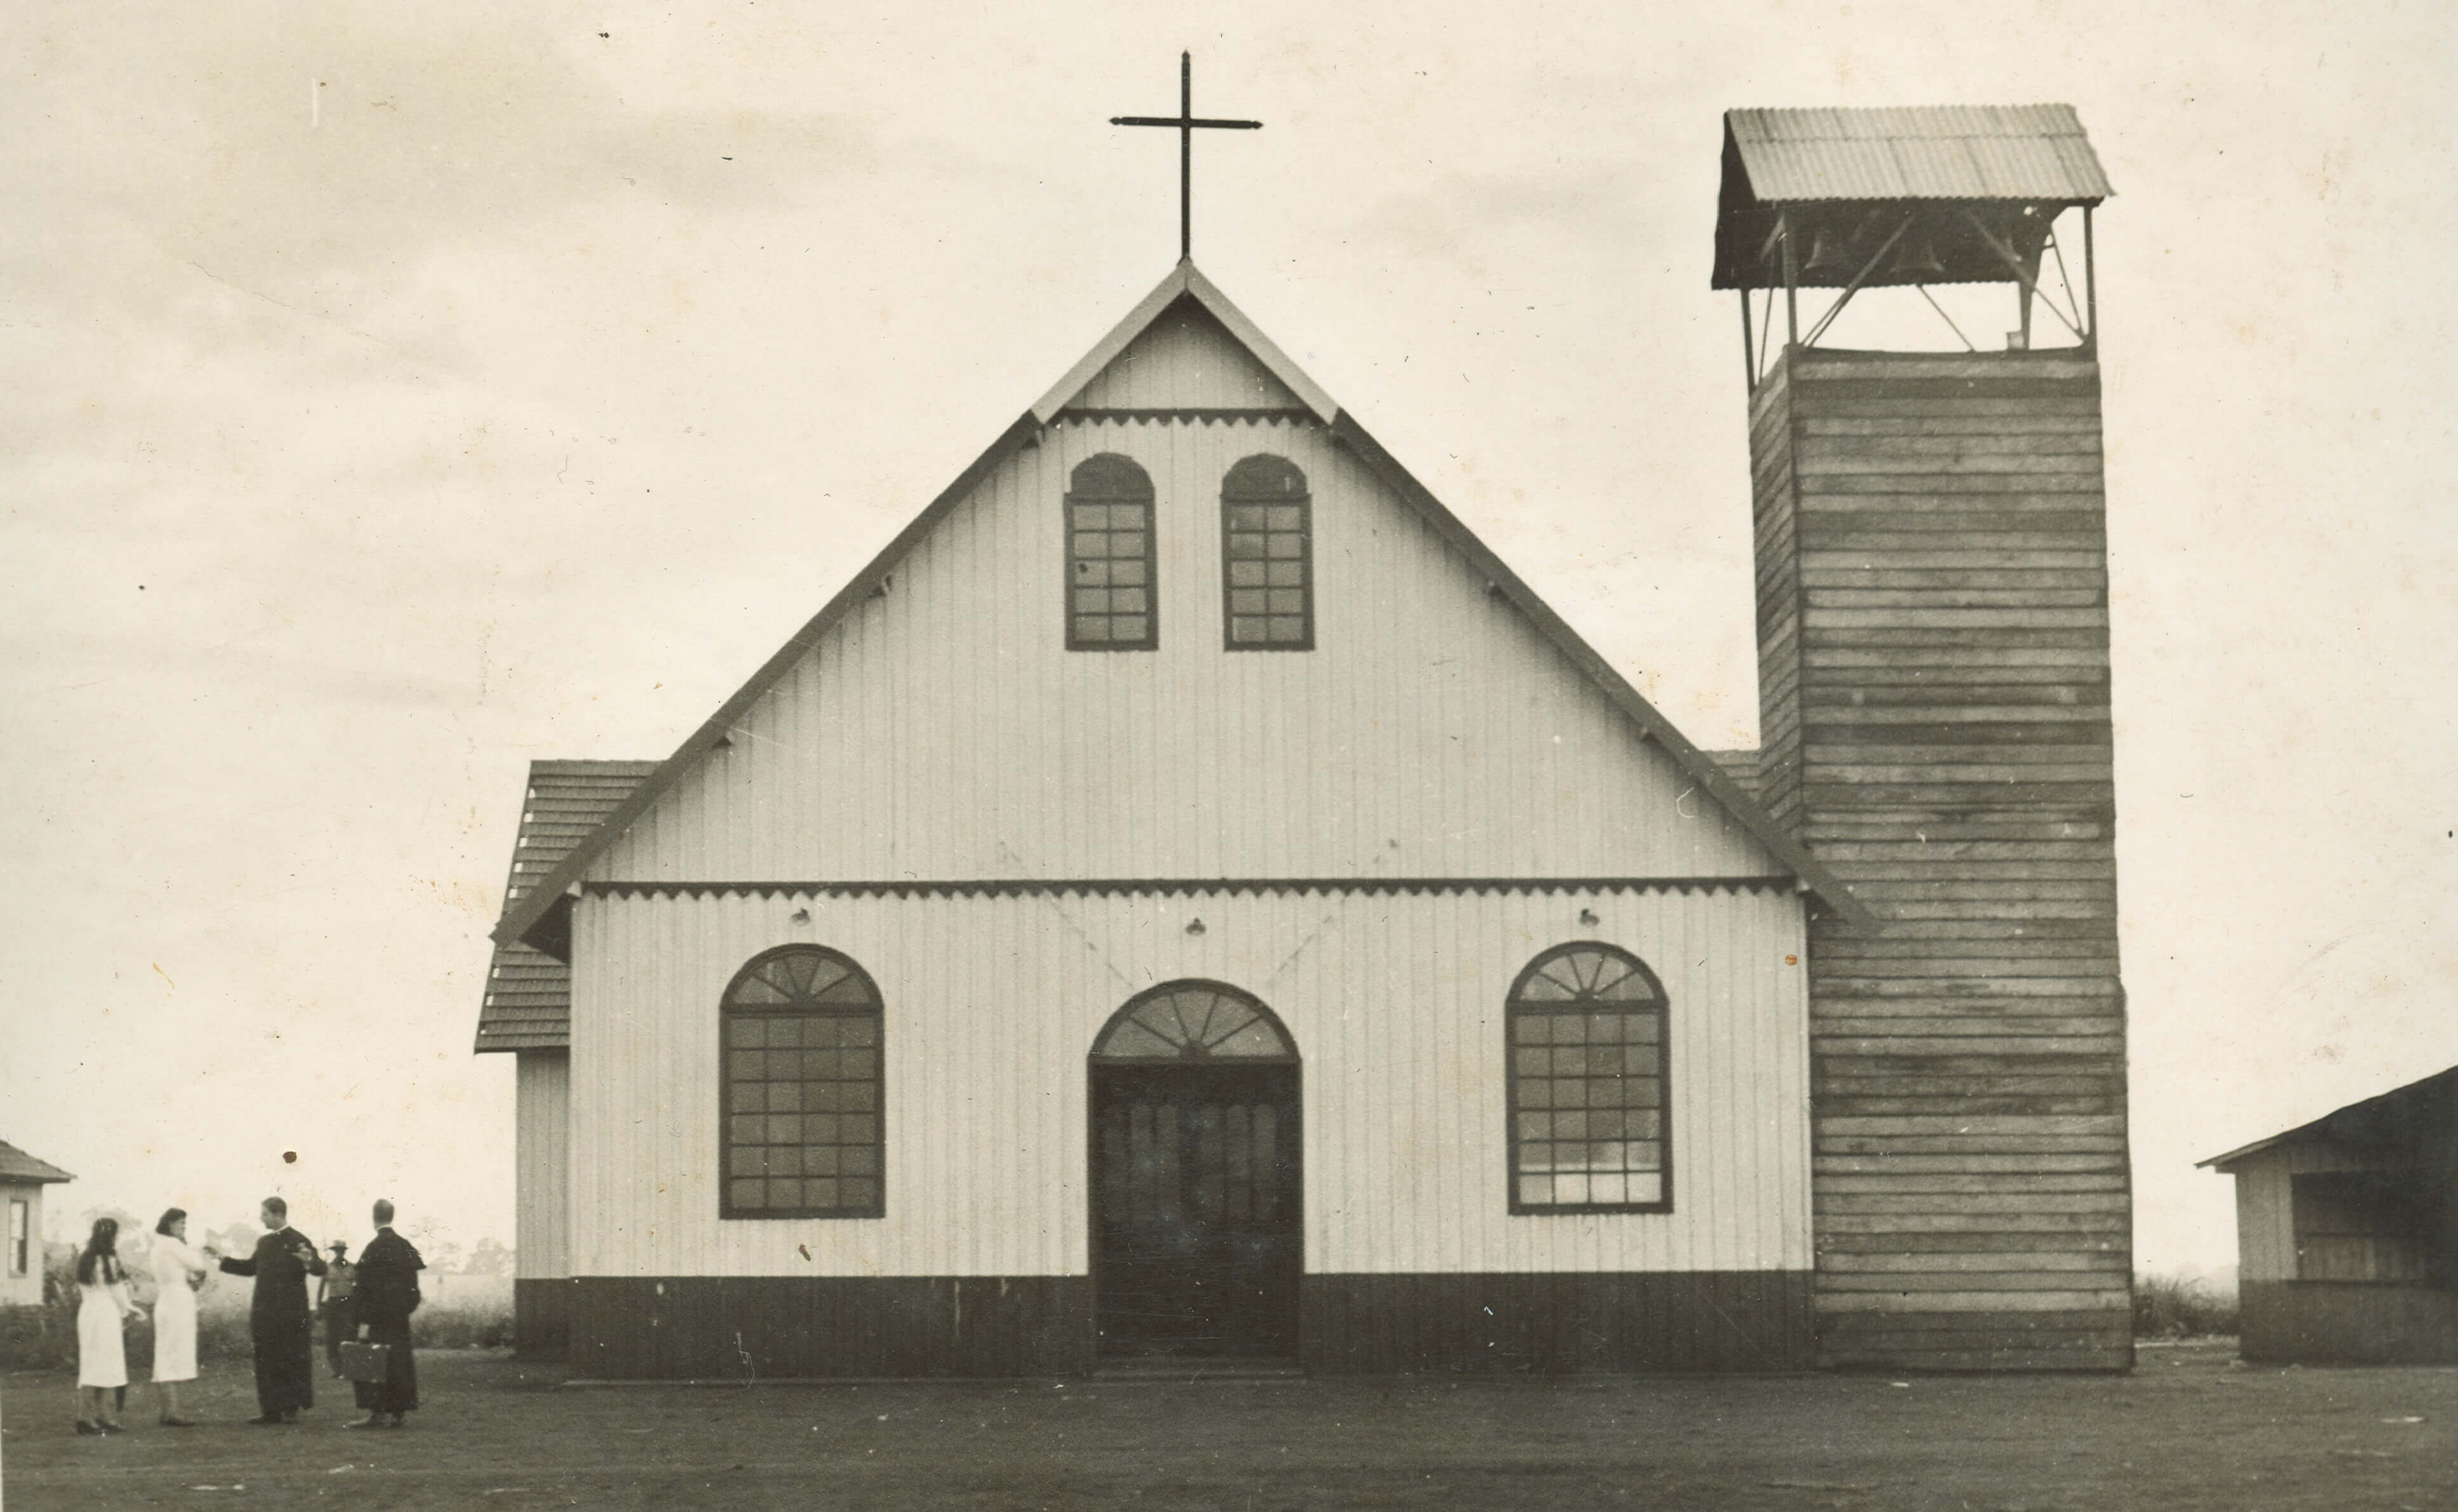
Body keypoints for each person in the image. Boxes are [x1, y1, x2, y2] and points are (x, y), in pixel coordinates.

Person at [212, 1196, 326, 1425]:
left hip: (292, 1314)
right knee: (266, 1360)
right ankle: (270, 1411)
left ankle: (290, 1410)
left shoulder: (299, 1240)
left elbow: (320, 1268)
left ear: (277, 1214)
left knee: (291, 1359)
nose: (261, 1218)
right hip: (265, 1312)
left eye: (264, 1214)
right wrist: (223, 1261)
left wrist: (308, 1262)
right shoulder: (263, 1243)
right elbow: (250, 1268)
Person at [347, 1199, 423, 1428]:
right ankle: (399, 1413)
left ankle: (377, 1413)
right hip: (399, 1319)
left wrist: (363, 1320)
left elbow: (364, 1291)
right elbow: (414, 1291)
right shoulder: (405, 1246)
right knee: (399, 1363)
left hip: (377, 1319)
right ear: (392, 1216)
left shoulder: (373, 1248)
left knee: (373, 1362)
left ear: (374, 1218)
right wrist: (402, 1311)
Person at [72, 1218, 139, 1435]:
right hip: (105, 1315)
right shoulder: (109, 1258)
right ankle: (95, 1417)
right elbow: (118, 1292)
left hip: (88, 1314)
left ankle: (92, 1416)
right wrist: (130, 1311)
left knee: (92, 1364)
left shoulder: (86, 1258)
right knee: (107, 1365)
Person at [147, 1209, 210, 1426]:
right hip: (176, 1302)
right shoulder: (173, 1245)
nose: (184, 1227)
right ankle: (172, 1412)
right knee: (172, 1354)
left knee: (166, 1353)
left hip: (167, 1300)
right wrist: (185, 1243)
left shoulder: (158, 1246)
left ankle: (168, 1411)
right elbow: (198, 1265)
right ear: (171, 1224)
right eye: (181, 1224)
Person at [317, 1240, 357, 1377]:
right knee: (332, 1337)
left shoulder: (351, 1267)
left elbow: (358, 1285)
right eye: (337, 1251)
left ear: (345, 1251)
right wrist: (318, 1306)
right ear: (334, 1251)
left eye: (342, 1251)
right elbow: (322, 1287)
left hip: (348, 1303)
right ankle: (337, 1370)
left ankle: (349, 1368)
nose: (340, 1253)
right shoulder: (328, 1268)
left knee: (348, 1335)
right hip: (333, 1304)